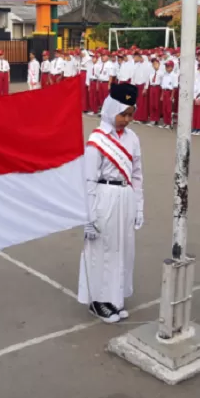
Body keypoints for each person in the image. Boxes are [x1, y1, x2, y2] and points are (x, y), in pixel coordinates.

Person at [78, 83, 144, 324]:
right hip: (104, 197)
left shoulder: (133, 138)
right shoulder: (97, 139)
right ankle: (98, 301)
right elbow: (89, 179)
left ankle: (114, 298)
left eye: (130, 114)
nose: (126, 119)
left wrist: (139, 206)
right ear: (111, 109)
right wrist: (88, 215)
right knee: (102, 250)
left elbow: (137, 174)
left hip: (125, 196)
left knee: (121, 249)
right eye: (122, 114)